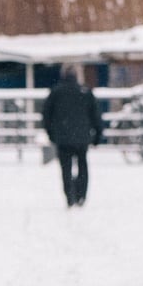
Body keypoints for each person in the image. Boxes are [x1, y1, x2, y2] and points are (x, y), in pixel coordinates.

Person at [42, 63, 103, 208]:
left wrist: (51, 134)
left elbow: (46, 115)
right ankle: (81, 195)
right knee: (82, 165)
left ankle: (70, 195)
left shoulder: (56, 92)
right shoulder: (85, 92)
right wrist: (97, 136)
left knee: (65, 168)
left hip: (62, 138)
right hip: (82, 138)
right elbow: (96, 116)